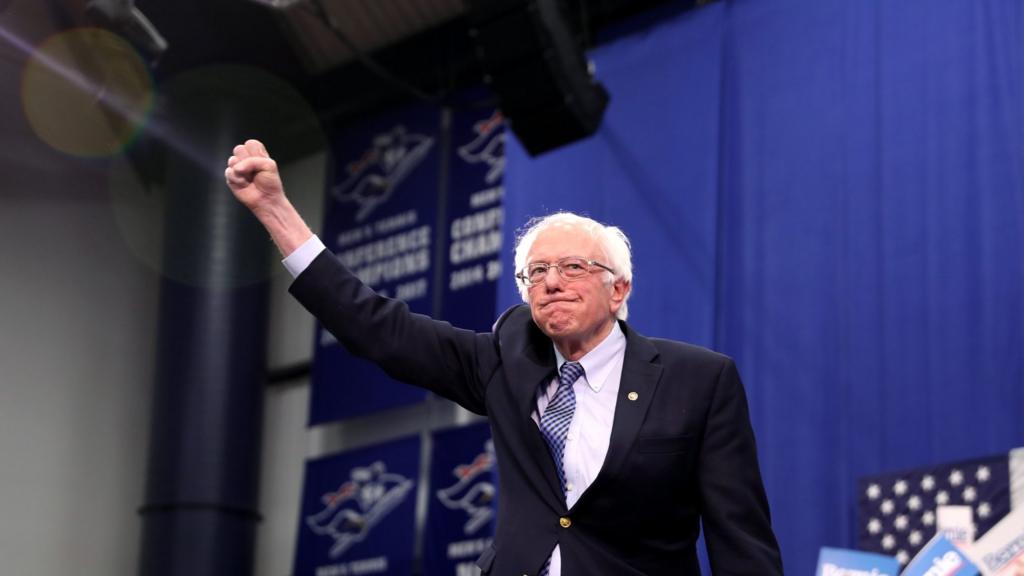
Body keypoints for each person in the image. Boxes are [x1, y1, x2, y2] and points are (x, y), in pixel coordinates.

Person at [225, 139, 783, 575]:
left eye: (573, 268)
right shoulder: (506, 363)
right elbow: (377, 329)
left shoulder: (699, 380)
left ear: (620, 289)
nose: (551, 283)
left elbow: (741, 542)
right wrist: (276, 210)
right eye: (536, 272)